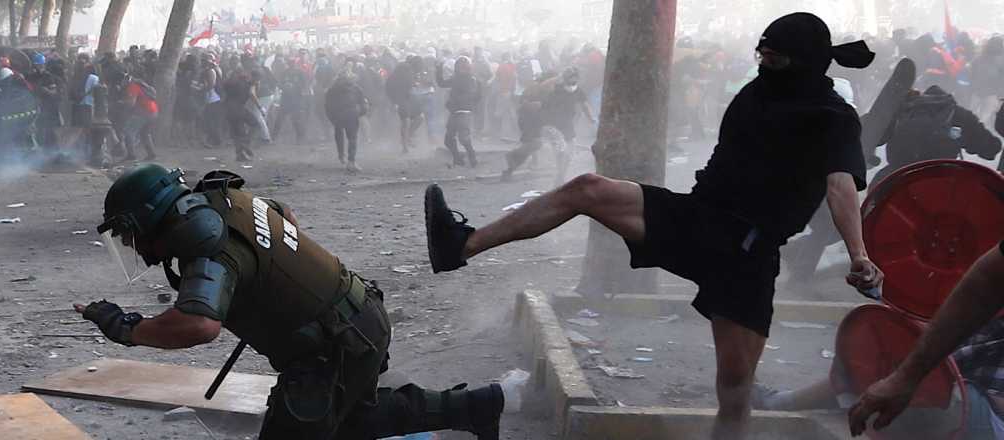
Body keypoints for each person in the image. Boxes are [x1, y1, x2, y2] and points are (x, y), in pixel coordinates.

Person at [424, 13, 882, 440]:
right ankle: (460, 246)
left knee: (735, 390)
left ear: (803, 62)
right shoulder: (757, 91)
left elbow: (840, 187)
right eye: (761, 56)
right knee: (586, 188)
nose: (764, 65)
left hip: (748, 252)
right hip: (698, 218)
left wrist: (859, 254)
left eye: (775, 59)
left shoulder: (833, 117)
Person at [78, 164, 505, 440]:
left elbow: (198, 325)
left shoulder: (204, 246)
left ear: (151, 216)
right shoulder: (225, 200)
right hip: (359, 316)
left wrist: (126, 328)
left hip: (330, 346)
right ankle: (477, 406)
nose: (131, 242)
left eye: (129, 231)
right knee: (350, 422)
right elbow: (285, 215)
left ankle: (474, 407)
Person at [756, 314, 1004, 439]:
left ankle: (783, 402)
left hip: (992, 422)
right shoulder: (987, 288)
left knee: (924, 382)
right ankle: (784, 402)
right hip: (973, 394)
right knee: (890, 356)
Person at [848, 243, 1004, 437]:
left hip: (986, 417)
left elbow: (987, 280)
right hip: (975, 402)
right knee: (883, 382)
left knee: (922, 394)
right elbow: (987, 280)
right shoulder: (985, 316)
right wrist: (902, 379)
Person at [869, 85, 1001, 186]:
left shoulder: (903, 110)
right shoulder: (959, 114)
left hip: (896, 176)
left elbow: (874, 137)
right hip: (941, 177)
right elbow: (990, 149)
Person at [435, 56, 482, 168]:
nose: (462, 69)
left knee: (462, 138)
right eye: (461, 67)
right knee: (449, 139)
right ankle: (459, 158)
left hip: (462, 111)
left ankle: (471, 157)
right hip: (457, 111)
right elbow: (478, 96)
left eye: (463, 67)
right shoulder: (469, 79)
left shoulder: (467, 79)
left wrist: (439, 69)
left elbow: (475, 95)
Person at [324, 68, 368, 172]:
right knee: (352, 138)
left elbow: (327, 105)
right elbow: (363, 103)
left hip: (340, 115)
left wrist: (331, 117)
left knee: (341, 135)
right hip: (350, 115)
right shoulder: (354, 88)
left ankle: (343, 157)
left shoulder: (332, 89)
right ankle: (350, 161)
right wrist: (360, 112)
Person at [27, 52, 65, 152]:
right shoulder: (31, 76)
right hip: (36, 107)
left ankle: (53, 151)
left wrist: (44, 90)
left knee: (50, 130)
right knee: (38, 129)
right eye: (37, 65)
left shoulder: (48, 77)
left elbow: (53, 92)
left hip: (48, 107)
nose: (39, 67)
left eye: (40, 65)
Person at [119, 73, 158, 161]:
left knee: (129, 132)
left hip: (143, 112)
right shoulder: (142, 85)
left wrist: (122, 103)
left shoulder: (133, 86)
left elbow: (131, 102)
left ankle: (131, 156)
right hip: (154, 111)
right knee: (145, 133)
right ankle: (152, 154)